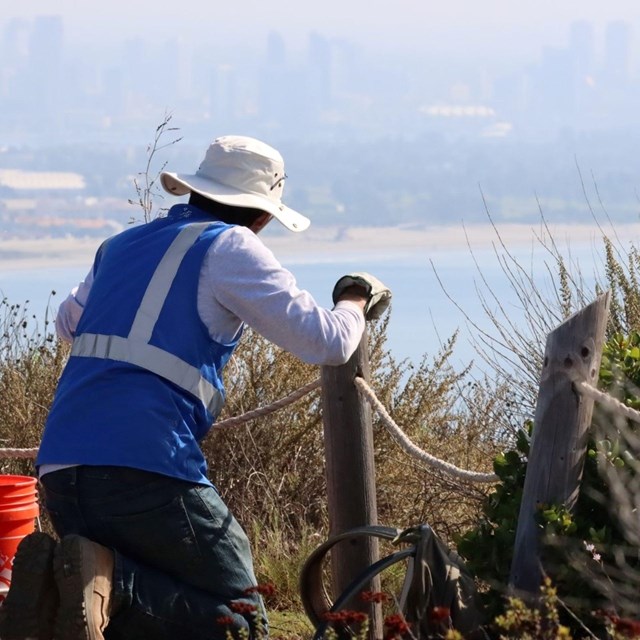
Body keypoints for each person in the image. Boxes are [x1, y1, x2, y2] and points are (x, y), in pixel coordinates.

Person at [0, 135, 391, 640]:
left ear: (194, 191)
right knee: (244, 621)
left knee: (138, 615)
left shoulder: (118, 246)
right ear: (262, 215)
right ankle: (113, 585)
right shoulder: (232, 246)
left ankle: (69, 584)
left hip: (61, 468)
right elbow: (327, 341)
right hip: (149, 467)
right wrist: (356, 298)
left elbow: (67, 322)